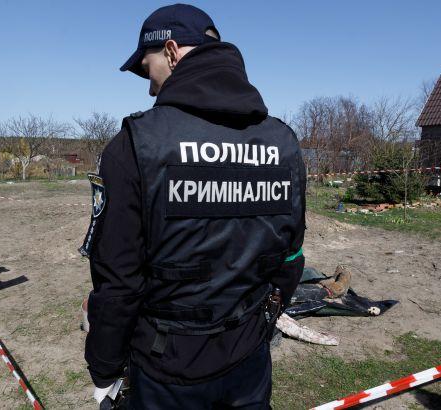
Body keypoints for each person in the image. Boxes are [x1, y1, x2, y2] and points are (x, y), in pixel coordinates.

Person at [80, 4, 306, 409]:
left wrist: (104, 367)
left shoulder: (135, 146)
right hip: (251, 358)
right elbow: (291, 256)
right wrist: (265, 317)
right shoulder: (283, 142)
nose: (149, 86)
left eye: (146, 67)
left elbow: (118, 279)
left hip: (167, 370)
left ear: (170, 51)